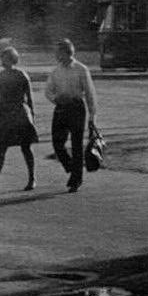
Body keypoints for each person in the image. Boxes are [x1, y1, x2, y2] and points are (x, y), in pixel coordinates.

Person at [0, 47, 38, 194]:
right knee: (0, 149)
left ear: (12, 59)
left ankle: (32, 178)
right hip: (5, 115)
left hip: (19, 114)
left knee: (25, 147)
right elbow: (1, 97)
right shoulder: (2, 75)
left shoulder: (21, 75)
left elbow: (29, 98)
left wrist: (32, 117)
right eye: (1, 58)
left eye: (4, 58)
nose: (2, 61)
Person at [44, 38, 98, 193]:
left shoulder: (81, 69)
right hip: (61, 108)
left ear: (66, 52)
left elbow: (89, 93)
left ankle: (76, 179)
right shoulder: (56, 71)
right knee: (57, 143)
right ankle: (70, 166)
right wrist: (55, 99)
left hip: (76, 107)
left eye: (58, 52)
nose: (55, 55)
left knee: (76, 144)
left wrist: (92, 115)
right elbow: (48, 90)